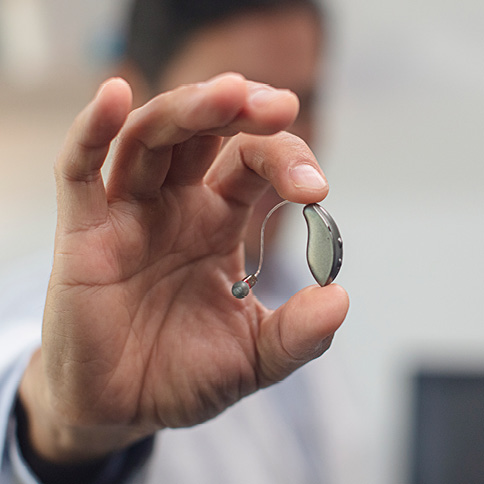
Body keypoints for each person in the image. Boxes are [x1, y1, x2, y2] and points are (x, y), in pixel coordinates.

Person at [0, 1, 363, 483]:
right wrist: (76, 429)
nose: (282, 139)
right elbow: (43, 416)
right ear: (133, 101)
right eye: (238, 107)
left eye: (306, 104)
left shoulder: (290, 292)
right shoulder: (35, 315)